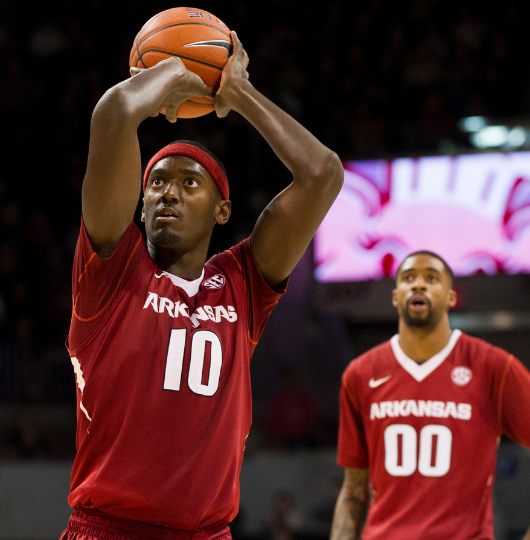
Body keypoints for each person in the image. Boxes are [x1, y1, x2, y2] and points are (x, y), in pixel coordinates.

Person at [62, 31, 343, 539]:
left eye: (189, 183)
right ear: (140, 203)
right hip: (108, 529)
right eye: (156, 183)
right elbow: (115, 111)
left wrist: (236, 93)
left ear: (222, 210)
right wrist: (173, 68)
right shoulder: (111, 271)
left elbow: (322, 173)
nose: (168, 192)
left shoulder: (240, 284)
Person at [331, 251, 530, 540]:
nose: (419, 285)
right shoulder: (360, 374)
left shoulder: (493, 367)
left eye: (431, 278)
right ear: (395, 297)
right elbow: (354, 488)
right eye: (409, 278)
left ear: (452, 297)